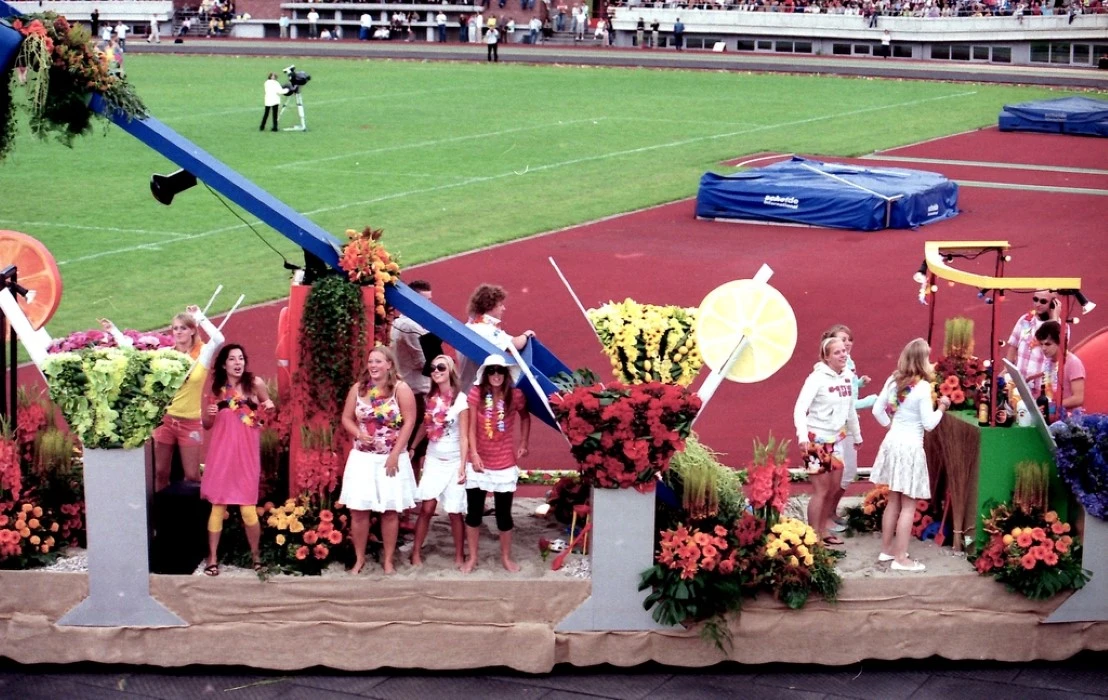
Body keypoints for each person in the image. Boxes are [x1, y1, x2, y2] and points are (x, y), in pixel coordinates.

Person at [100, 305, 225, 492]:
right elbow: (137, 355)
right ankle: (160, 514)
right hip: (165, 421)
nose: (178, 332)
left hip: (190, 423)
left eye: (183, 327)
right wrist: (114, 332)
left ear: (192, 330)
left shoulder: (202, 354)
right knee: (160, 472)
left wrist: (198, 315)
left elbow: (219, 339)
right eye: (175, 328)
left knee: (192, 475)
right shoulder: (166, 354)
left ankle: (197, 516)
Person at [870, 339, 950, 572]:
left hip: (893, 443)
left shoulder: (893, 380)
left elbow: (877, 410)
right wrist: (942, 407)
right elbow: (929, 424)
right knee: (908, 505)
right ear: (921, 360)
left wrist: (891, 426)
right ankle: (901, 558)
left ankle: (886, 550)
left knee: (893, 501)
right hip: (911, 448)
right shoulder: (923, 388)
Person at [338, 346, 418, 574]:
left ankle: (389, 559)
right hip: (363, 458)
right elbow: (346, 418)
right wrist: (358, 433)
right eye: (370, 361)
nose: (373, 366)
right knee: (359, 511)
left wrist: (394, 455)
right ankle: (360, 558)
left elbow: (409, 422)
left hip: (390, 459)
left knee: (390, 510)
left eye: (378, 361)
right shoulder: (358, 388)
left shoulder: (400, 389)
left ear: (389, 365)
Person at [200, 344, 274, 576]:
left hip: (246, 456)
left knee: (248, 510)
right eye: (232, 359)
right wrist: (208, 415)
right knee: (218, 506)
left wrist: (270, 406)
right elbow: (207, 424)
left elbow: (267, 412)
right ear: (224, 364)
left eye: (240, 358)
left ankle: (256, 556)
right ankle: (212, 557)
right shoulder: (217, 389)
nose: (237, 363)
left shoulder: (255, 385)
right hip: (222, 455)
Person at [463, 355, 530, 573]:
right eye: (491, 371)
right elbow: (471, 427)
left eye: (500, 371)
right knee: (474, 513)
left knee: (504, 514)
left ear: (506, 373)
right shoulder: (476, 394)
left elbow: (525, 417)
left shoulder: (516, 395)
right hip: (480, 461)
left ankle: (506, 557)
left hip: (504, 462)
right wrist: (473, 454)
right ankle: (472, 557)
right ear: (485, 375)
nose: (496, 376)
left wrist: (524, 443)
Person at [793, 336, 862, 548]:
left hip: (837, 440)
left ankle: (823, 529)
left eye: (844, 351)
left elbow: (850, 409)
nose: (843, 355)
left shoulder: (848, 377)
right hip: (816, 440)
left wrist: (856, 435)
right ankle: (813, 535)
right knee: (821, 490)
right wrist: (802, 436)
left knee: (833, 489)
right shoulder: (816, 379)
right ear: (826, 357)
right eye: (837, 352)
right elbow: (799, 408)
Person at [409, 355, 469, 568]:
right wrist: (414, 447)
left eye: (440, 367)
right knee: (427, 507)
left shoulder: (461, 399)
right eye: (433, 367)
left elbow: (464, 436)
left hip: (454, 460)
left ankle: (459, 555)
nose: (435, 370)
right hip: (434, 458)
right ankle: (415, 552)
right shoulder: (430, 397)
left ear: (450, 370)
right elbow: (426, 428)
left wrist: (463, 465)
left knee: (454, 511)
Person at [390, 280, 434, 474]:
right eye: (425, 300)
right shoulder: (411, 327)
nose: (430, 305)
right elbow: (425, 363)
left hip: (404, 389)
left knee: (410, 448)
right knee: (414, 450)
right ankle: (413, 495)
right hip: (416, 393)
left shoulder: (399, 322)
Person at [457, 283, 536, 388]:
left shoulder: (470, 325)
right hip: (477, 391)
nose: (503, 308)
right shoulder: (487, 330)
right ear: (490, 306)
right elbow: (517, 344)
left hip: (467, 385)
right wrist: (527, 334)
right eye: (500, 305)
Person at [1006, 290, 1060, 393]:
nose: (1038, 304)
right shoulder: (1025, 320)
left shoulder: (1061, 328)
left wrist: (1055, 318)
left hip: (1043, 389)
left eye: (1043, 301)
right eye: (1035, 299)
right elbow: (1013, 346)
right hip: (1018, 386)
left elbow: (1057, 357)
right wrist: (1008, 372)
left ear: (1053, 304)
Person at [1034, 321, 1085, 417]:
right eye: (1041, 344)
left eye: (1048, 344)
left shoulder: (1073, 363)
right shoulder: (1049, 361)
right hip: (1051, 416)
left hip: (1070, 420)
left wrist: (1053, 406)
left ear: (1060, 343)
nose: (1043, 348)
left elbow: (1078, 398)